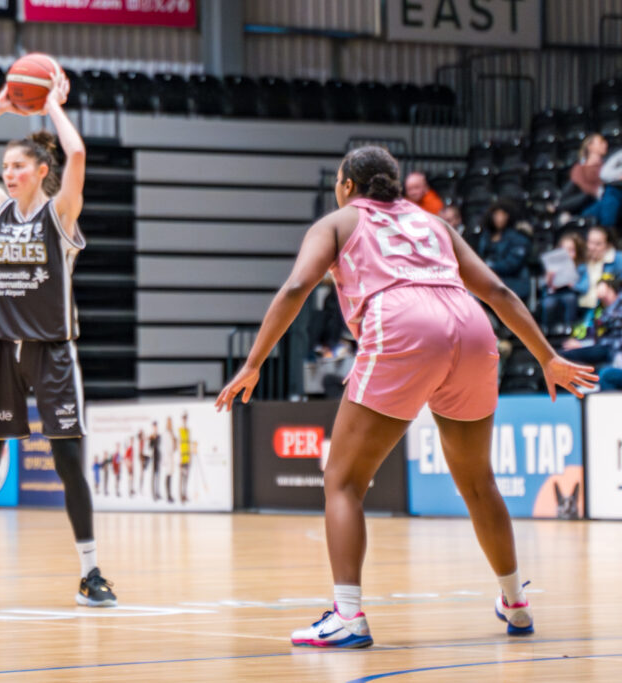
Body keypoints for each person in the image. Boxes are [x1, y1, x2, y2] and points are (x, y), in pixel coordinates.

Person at [216, 146, 596, 649]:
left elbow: (295, 289)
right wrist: (547, 356)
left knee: (343, 480)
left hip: (403, 324)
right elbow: (499, 290)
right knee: (478, 481)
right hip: (471, 326)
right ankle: (515, 601)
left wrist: (252, 363)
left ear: (348, 185)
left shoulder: (336, 223)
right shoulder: (434, 225)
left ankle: (347, 616)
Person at [0, 72, 116, 608]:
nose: (9, 174)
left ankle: (91, 573)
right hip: (0, 351)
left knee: (67, 465)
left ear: (40, 172)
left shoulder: (61, 215)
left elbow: (77, 153)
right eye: (5, 167)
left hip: (52, 351)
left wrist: (53, 105)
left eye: (18, 167)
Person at [562, 274, 622, 388]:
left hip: (614, 349)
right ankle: (582, 385)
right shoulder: (598, 309)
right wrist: (581, 343)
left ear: (610, 286)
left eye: (601, 285)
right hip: (604, 347)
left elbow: (612, 336)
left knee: (606, 375)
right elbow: (590, 331)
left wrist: (583, 344)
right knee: (565, 355)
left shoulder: (618, 305)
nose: (598, 289)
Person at [476, 200, 533, 302]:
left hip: (512, 283)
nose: (499, 218)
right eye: (496, 215)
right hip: (488, 281)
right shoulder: (485, 237)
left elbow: (512, 264)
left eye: (503, 215)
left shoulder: (519, 238)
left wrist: (489, 267)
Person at [539, 232, 588, 331]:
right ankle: (547, 331)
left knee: (569, 299)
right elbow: (543, 286)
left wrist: (573, 285)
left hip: (571, 294)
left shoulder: (580, 267)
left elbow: (584, 287)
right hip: (554, 294)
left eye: (571, 250)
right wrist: (549, 278)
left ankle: (569, 328)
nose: (567, 253)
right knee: (548, 304)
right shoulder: (552, 268)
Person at [560, 133, 607, 216]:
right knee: (572, 185)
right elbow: (579, 182)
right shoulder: (579, 167)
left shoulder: (605, 167)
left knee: (586, 195)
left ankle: (557, 207)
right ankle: (560, 207)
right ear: (590, 146)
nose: (605, 144)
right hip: (579, 200)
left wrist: (595, 191)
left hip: (594, 200)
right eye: (601, 142)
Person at [579, 225, 622, 310]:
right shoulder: (580, 259)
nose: (592, 247)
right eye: (590, 242)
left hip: (607, 307)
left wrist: (610, 285)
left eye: (598, 244)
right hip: (581, 306)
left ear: (608, 245)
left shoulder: (617, 258)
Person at [178, 412, 192, 504]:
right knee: (181, 478)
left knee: (186, 478)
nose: (184, 420)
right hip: (181, 458)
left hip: (187, 457)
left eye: (185, 418)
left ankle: (185, 494)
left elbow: (188, 443)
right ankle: (181, 496)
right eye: (183, 418)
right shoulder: (179, 430)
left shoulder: (188, 431)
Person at [149, 421, 162, 501]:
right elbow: (150, 446)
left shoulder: (159, 436)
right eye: (154, 427)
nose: (155, 428)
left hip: (158, 457)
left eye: (156, 426)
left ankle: (157, 492)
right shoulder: (151, 437)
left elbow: (159, 445)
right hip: (153, 457)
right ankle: (153, 494)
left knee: (158, 476)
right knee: (153, 476)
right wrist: (153, 438)